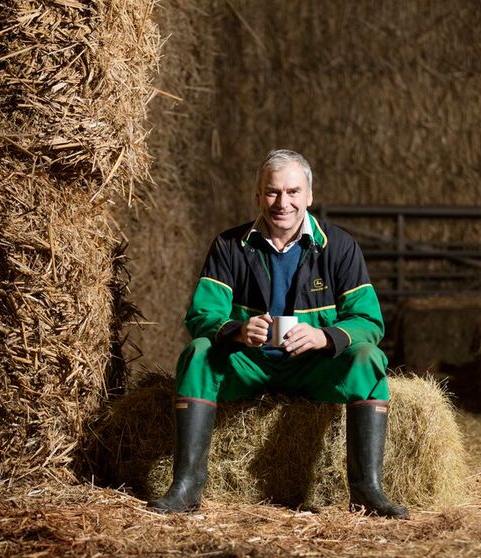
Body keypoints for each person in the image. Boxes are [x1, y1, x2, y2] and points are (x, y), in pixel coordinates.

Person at [147, 149, 408, 519]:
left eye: (292, 192)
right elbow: (202, 315)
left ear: (309, 196)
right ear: (257, 196)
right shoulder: (229, 246)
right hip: (249, 364)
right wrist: (237, 331)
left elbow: (369, 321)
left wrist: (325, 337)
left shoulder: (340, 247)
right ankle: (187, 487)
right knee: (200, 352)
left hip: (313, 367)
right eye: (272, 192)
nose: (282, 203)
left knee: (368, 357)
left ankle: (367, 491)